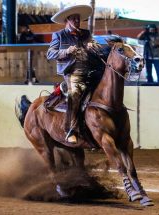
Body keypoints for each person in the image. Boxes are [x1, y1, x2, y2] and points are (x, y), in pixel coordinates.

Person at [47, 4, 100, 144]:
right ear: (67, 20)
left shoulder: (86, 34)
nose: (77, 21)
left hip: (90, 70)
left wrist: (93, 46)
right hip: (72, 72)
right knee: (75, 93)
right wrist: (66, 51)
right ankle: (71, 129)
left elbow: (96, 46)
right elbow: (50, 53)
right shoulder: (59, 35)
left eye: (78, 19)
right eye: (74, 19)